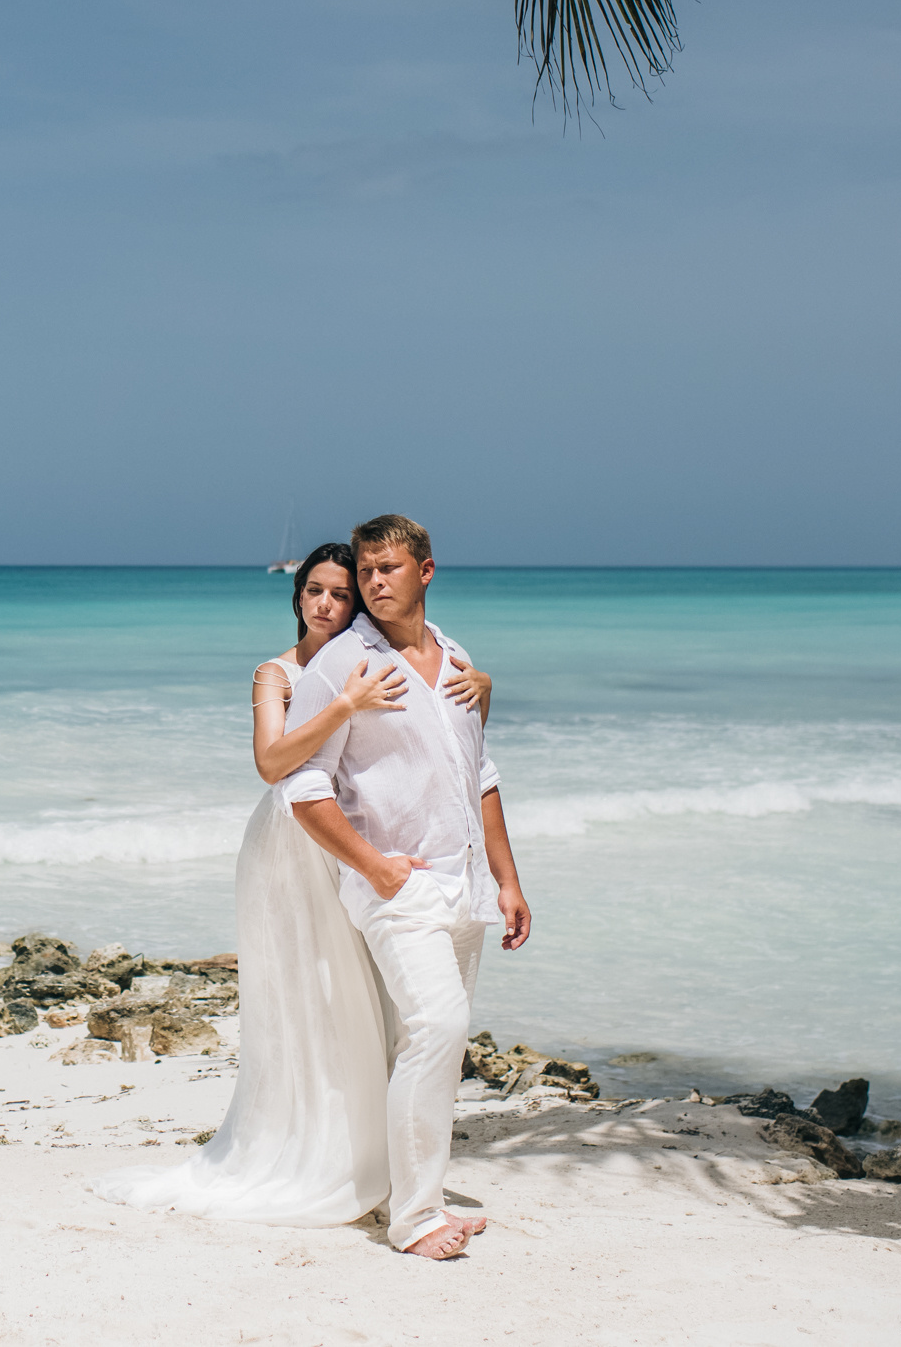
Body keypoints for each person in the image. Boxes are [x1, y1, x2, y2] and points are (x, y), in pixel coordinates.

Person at [92, 542, 493, 1230]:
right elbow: (273, 761)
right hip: (292, 850)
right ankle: (322, 1153)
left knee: (371, 1006)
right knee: (316, 999)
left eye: (340, 594)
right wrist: (344, 706)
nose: (326, 605)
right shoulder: (278, 672)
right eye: (314, 591)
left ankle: (378, 1164)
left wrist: (481, 687)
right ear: (296, 596)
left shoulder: (373, 658)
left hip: (354, 845)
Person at [281, 514, 532, 1260]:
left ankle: (412, 1191)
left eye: (388, 569)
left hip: (465, 885)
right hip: (395, 887)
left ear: (426, 571)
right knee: (438, 1028)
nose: (373, 584)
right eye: (365, 572)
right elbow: (303, 787)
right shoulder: (343, 664)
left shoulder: (456, 657)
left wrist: (508, 880)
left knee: (430, 1045)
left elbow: (478, 777)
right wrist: (373, 865)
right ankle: (416, 1220)